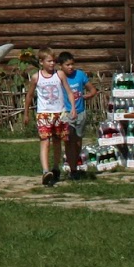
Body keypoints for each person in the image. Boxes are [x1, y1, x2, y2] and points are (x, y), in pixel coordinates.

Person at [23, 49, 73, 186]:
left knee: (58, 141)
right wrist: (26, 113)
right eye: (49, 61)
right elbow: (29, 96)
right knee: (45, 141)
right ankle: (45, 171)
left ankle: (55, 167)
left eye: (53, 61)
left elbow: (68, 92)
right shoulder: (36, 77)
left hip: (60, 113)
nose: (52, 64)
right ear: (41, 62)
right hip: (44, 113)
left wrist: (72, 108)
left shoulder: (60, 74)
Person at [57, 51, 97, 180]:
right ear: (61, 66)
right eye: (67, 65)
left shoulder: (80, 75)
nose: (70, 67)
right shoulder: (59, 77)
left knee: (78, 141)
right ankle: (73, 170)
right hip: (66, 113)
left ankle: (75, 165)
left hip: (80, 112)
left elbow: (92, 90)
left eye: (72, 64)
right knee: (69, 141)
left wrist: (87, 95)